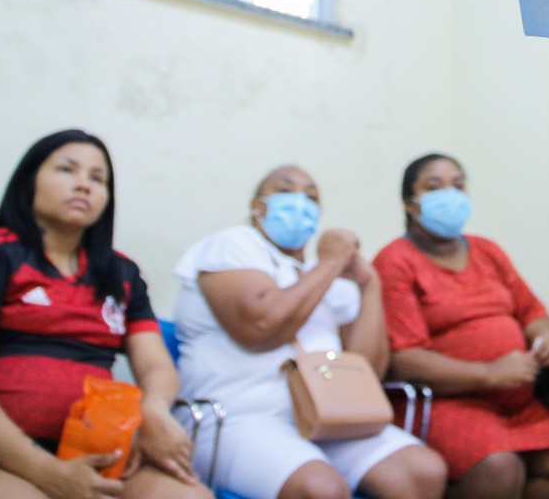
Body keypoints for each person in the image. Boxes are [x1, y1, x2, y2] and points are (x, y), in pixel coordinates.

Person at [0, 129, 211, 499]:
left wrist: (153, 409)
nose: (83, 185)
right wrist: (48, 473)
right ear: (29, 181)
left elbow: (156, 367)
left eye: (97, 178)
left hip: (87, 452)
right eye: (66, 169)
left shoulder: (121, 274)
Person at [171, 164, 447, 499]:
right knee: (321, 489)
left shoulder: (324, 279)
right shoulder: (234, 244)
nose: (299, 201)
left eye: (311, 197)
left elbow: (368, 371)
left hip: (328, 415)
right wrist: (330, 263)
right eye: (285, 190)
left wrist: (369, 284)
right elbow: (259, 329)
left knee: (423, 470)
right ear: (257, 207)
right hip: (239, 418)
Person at [372, 154, 549, 499]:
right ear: (410, 203)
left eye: (458, 185)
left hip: (518, 403)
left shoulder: (487, 250)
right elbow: (405, 359)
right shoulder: (395, 261)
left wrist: (545, 338)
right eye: (434, 186)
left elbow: (533, 312)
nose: (450, 194)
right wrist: (489, 373)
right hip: (447, 404)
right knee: (499, 468)